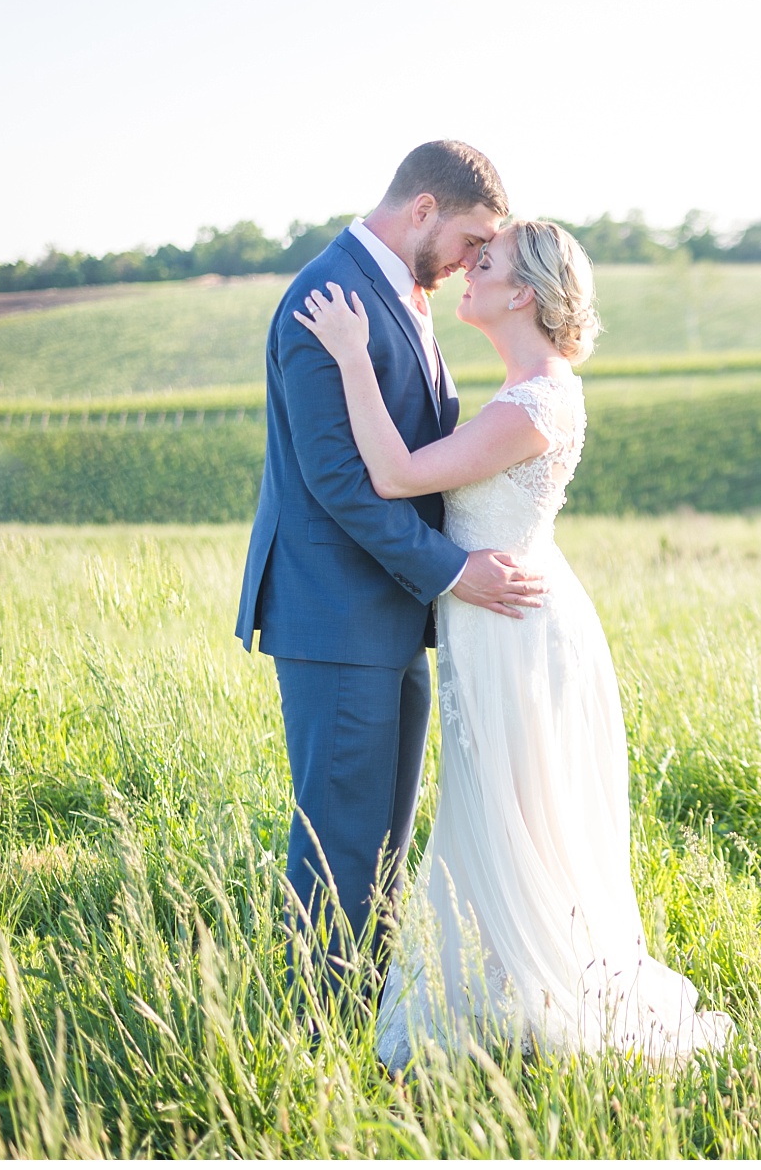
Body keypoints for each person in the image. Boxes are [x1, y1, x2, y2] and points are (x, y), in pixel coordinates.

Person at [293, 219, 732, 1070]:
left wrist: (352, 355)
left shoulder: (533, 403)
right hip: (506, 618)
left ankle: (539, 999)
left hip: (513, 631)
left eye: (483, 264)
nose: (466, 273)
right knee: (511, 815)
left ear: (521, 292)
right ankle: (510, 991)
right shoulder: (530, 387)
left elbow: (394, 477)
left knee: (513, 813)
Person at [234, 141, 549, 1003]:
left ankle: (366, 1015)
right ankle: (314, 1028)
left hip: (392, 611)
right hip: (336, 615)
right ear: (423, 211)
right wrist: (452, 572)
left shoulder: (404, 295)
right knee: (339, 838)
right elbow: (339, 479)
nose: (471, 262)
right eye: (470, 240)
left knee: (381, 842)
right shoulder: (325, 296)